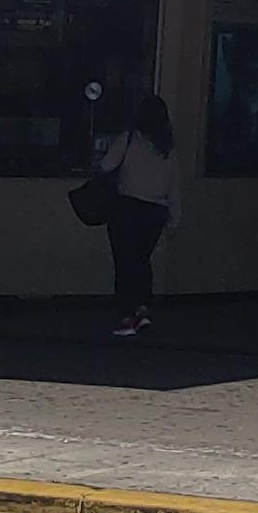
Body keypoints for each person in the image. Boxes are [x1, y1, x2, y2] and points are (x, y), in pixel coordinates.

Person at [98, 92, 178, 337]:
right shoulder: (167, 148)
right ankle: (143, 308)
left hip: (127, 207)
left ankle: (126, 315)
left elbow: (106, 166)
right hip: (155, 211)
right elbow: (174, 185)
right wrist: (174, 216)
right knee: (141, 261)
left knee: (124, 263)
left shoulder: (130, 139)